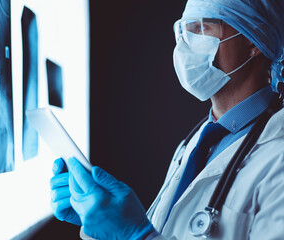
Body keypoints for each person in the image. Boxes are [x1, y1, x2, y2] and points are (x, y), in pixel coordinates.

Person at [50, 0, 284, 239]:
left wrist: (134, 234)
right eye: (182, 31)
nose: (184, 45)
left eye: (200, 28)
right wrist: (101, 223)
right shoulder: (195, 143)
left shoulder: (278, 159)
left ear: (253, 40)